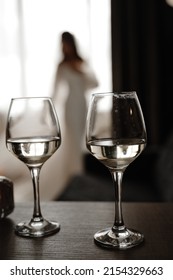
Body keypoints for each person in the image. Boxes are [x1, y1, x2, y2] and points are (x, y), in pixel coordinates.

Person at [51, 31, 99, 192]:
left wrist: (81, 72)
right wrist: (49, 112)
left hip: (82, 104)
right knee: (71, 139)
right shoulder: (61, 65)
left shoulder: (81, 62)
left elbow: (95, 84)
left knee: (81, 139)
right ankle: (73, 174)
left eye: (66, 42)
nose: (64, 46)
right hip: (70, 105)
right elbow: (55, 91)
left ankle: (82, 173)